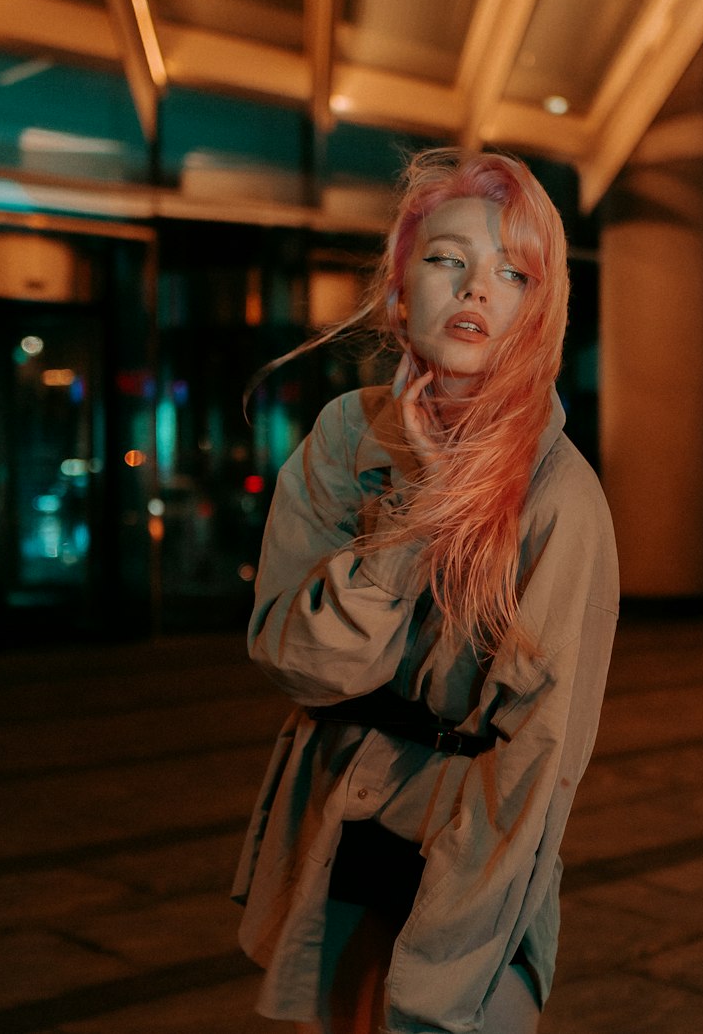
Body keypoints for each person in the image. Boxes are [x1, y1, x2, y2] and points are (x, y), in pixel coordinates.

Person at [232, 148, 619, 1034]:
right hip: (338, 816)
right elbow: (301, 662)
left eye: (510, 272)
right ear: (404, 282)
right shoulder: (346, 436)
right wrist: (419, 516)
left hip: (464, 846)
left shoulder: (560, 499)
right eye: (449, 259)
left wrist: (461, 940)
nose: (476, 290)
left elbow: (542, 754)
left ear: (537, 309)